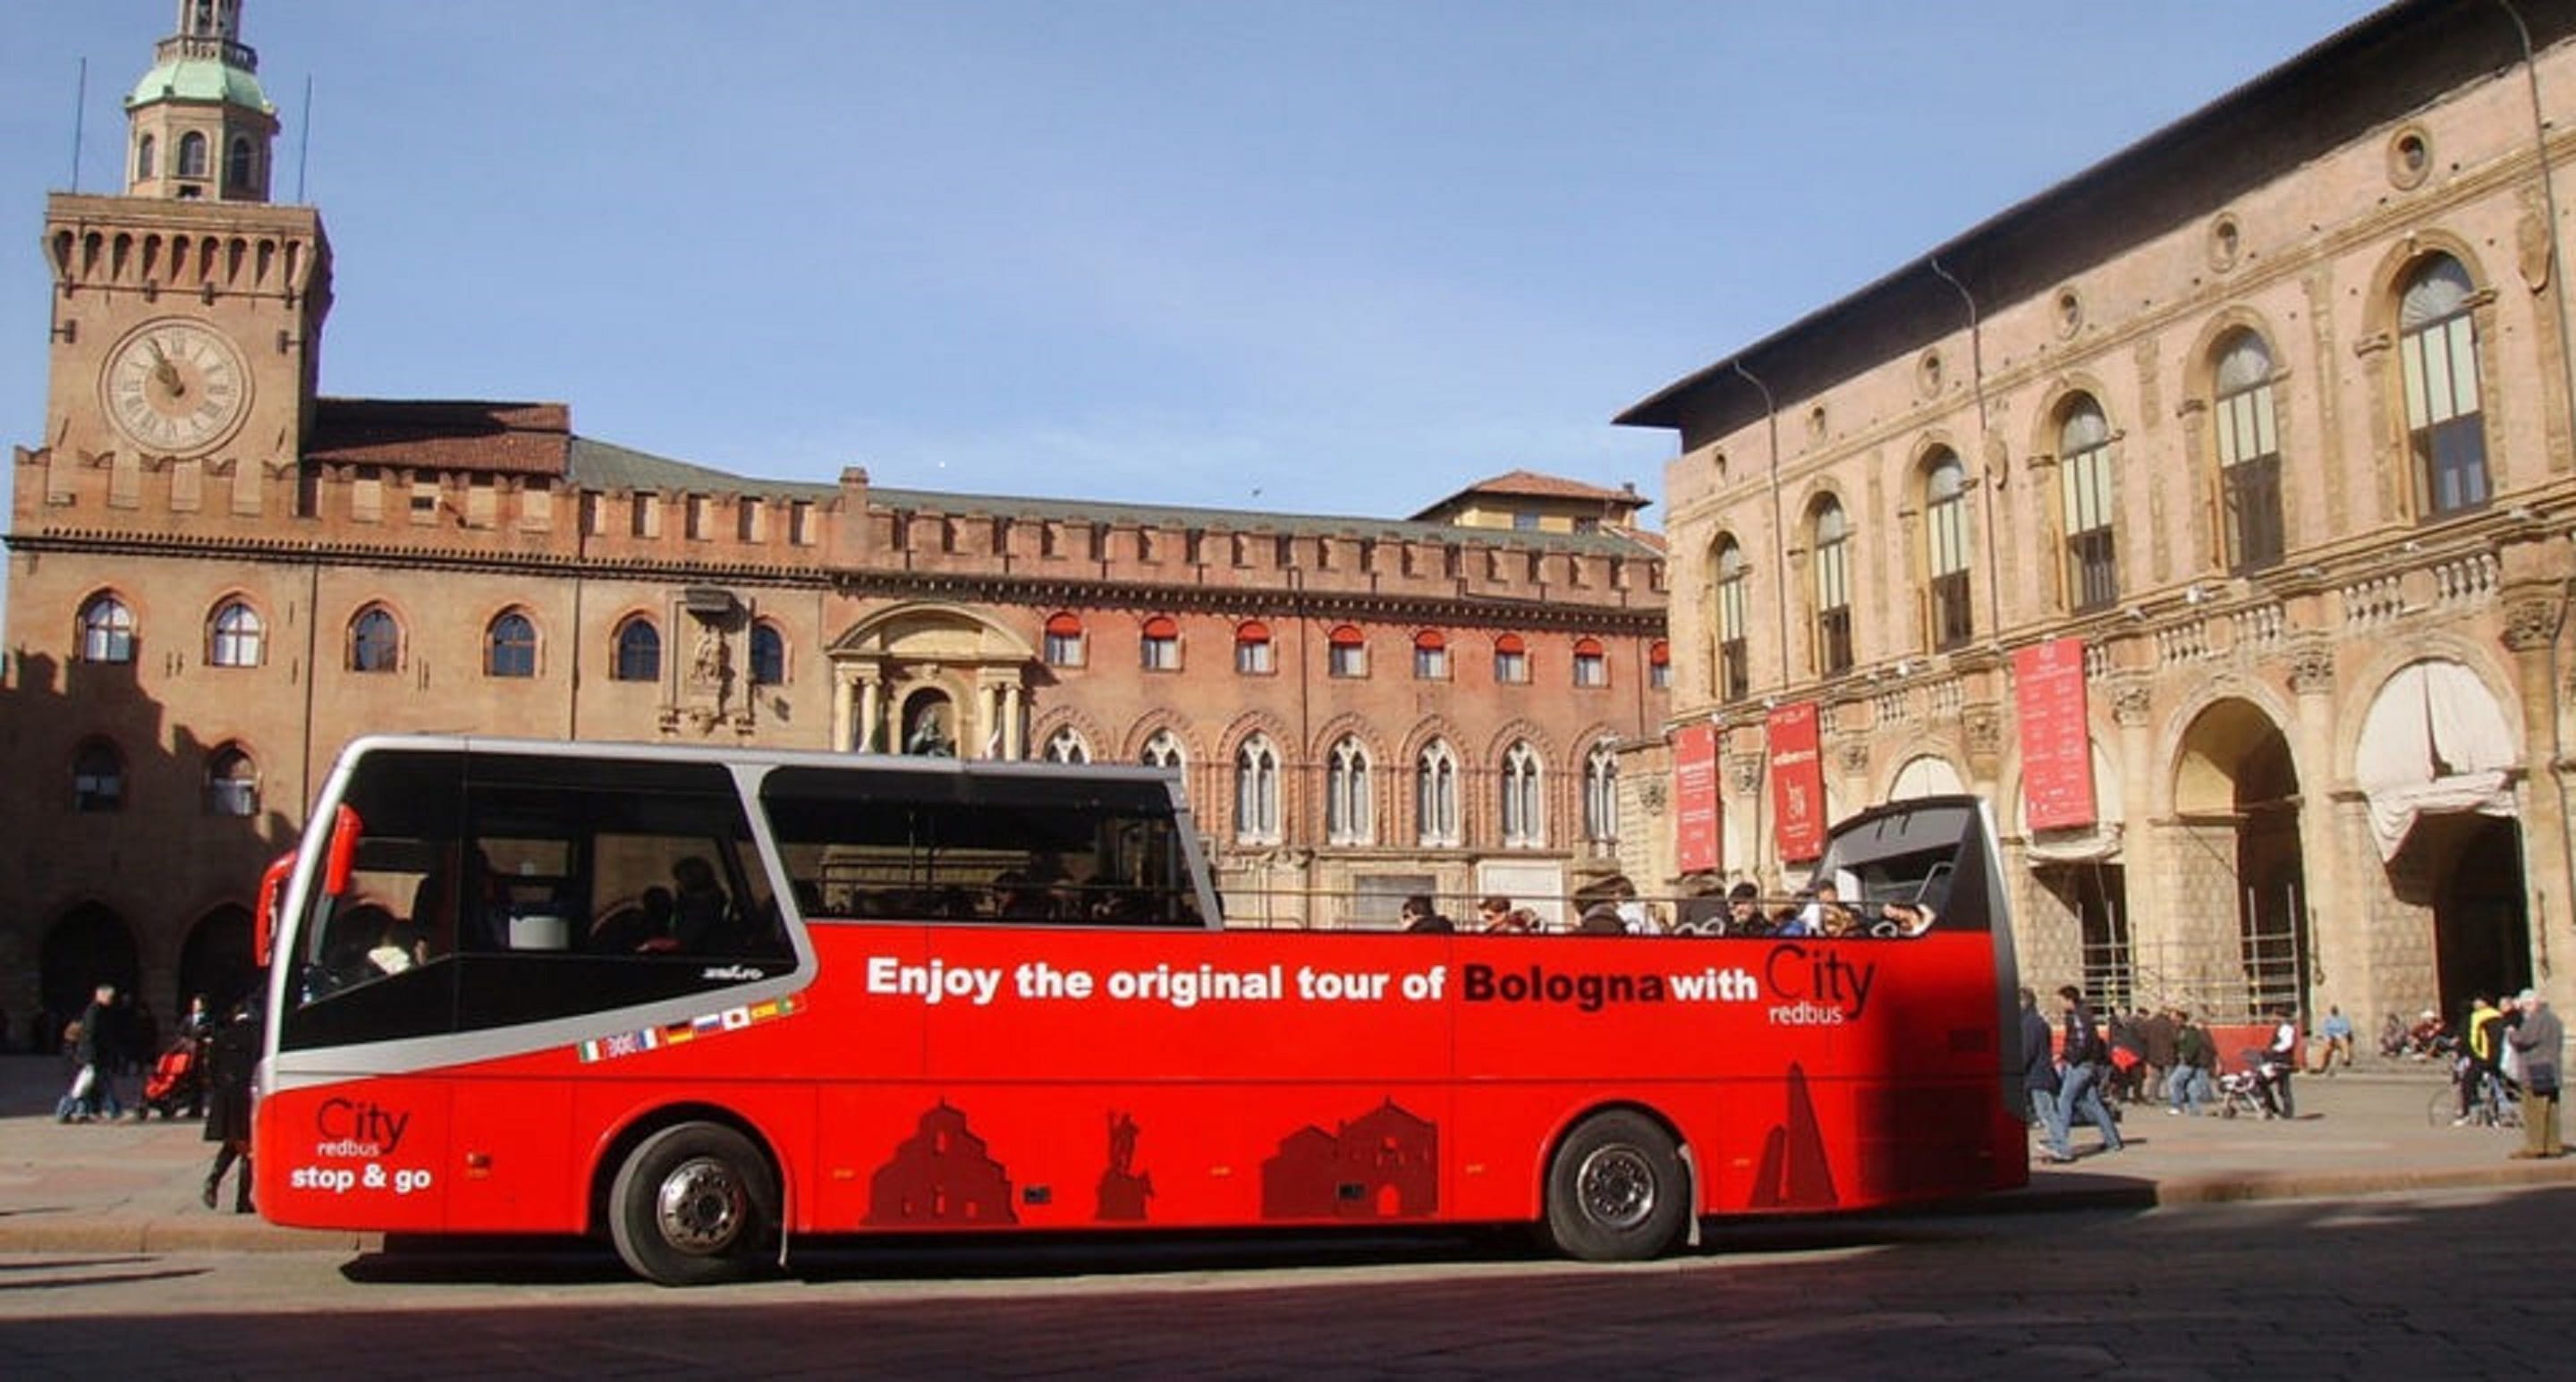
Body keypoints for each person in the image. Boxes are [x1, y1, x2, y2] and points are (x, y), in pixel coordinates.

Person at [201, 986, 265, 1213]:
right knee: (248, 1148)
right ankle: (242, 1199)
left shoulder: (222, 1034)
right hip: (245, 1096)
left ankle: (214, 1181)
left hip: (224, 1097)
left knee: (232, 1143)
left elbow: (211, 1068)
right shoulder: (257, 1035)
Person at [2055, 985, 2123, 1155]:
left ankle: (2059, 1143)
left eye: (2061, 1000)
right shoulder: (2085, 1014)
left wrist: (2072, 1059)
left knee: (2064, 1100)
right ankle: (2113, 1140)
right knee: (2093, 1102)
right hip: (2089, 1063)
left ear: (2069, 999)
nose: (2060, 1004)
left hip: (2081, 1064)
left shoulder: (2077, 1015)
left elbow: (2081, 1041)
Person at [2502, 990, 2563, 1159]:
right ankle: (2552, 1145)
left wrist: (2511, 1033)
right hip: (2552, 1068)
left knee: (2534, 1110)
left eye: (2524, 1007)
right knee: (2551, 1109)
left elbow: (2524, 1039)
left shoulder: (2536, 1019)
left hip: (2535, 1069)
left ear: (2530, 1004)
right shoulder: (2553, 1018)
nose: (2523, 1011)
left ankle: (2534, 1147)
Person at [2019, 988, 2073, 1164]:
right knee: (2047, 1112)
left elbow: (2028, 1051)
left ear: (2023, 1002)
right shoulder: (2035, 1021)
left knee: (2048, 1113)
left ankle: (2061, 1147)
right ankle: (2058, 1144)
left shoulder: (2030, 1023)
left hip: (2038, 1076)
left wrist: (2017, 1068)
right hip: (2041, 1074)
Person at [2457, 994, 2505, 1124]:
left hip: (2482, 1057)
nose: (2475, 1004)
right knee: (2494, 1085)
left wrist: (2472, 1055)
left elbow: (2472, 1039)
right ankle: (2495, 1116)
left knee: (2467, 1082)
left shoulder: (2477, 1016)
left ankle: (2465, 1114)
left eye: (2477, 1001)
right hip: (2497, 1056)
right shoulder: (2498, 1015)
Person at [2165, 1009, 2216, 1115]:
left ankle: (2177, 1106)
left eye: (2176, 1018)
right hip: (2192, 1062)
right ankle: (2194, 1108)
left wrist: (2186, 1057)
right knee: (2191, 1085)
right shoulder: (2185, 1030)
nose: (2173, 1020)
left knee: (2173, 1082)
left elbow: (2193, 1046)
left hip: (2187, 1063)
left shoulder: (2190, 1031)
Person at [2256, 1005, 2301, 1119]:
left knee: (2264, 1082)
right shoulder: (2283, 1027)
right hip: (2279, 1061)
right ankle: (2282, 1110)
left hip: (2281, 1061)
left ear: (2280, 1016)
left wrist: (2273, 1050)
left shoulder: (2286, 1028)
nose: (2273, 1018)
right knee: (2282, 1087)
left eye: (2275, 1015)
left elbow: (2287, 1044)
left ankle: (2277, 1109)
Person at [2312, 1005, 2355, 1073]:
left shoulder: (2343, 1019)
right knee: (2325, 1049)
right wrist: (2328, 1037)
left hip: (2340, 1037)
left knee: (2344, 1041)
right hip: (2331, 1038)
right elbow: (2325, 1030)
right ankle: (2319, 1067)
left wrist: (2339, 1035)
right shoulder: (2328, 1020)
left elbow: (2346, 1030)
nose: (2334, 1011)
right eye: (2333, 1010)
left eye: (2335, 1010)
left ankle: (2346, 1059)